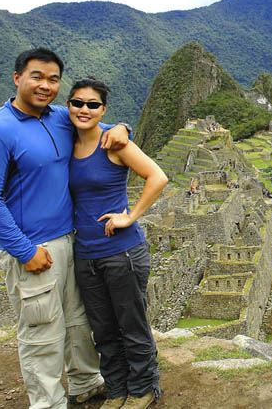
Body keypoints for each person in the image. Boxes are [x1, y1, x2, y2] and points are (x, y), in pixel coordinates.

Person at [0, 48, 130, 409]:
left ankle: (85, 382)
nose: (45, 85)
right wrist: (24, 251)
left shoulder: (58, 118)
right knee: (42, 331)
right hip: (32, 246)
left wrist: (123, 127)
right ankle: (48, 402)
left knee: (76, 320)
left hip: (71, 241)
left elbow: (97, 124)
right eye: (37, 76)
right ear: (17, 78)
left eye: (53, 79)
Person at [67, 78, 167, 409]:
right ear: (68, 105)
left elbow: (157, 176)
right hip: (86, 255)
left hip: (121, 252)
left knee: (131, 324)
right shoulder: (67, 141)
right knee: (103, 330)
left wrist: (131, 216)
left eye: (93, 104)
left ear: (103, 110)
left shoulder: (114, 143)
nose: (84, 109)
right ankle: (115, 390)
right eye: (78, 103)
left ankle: (142, 390)